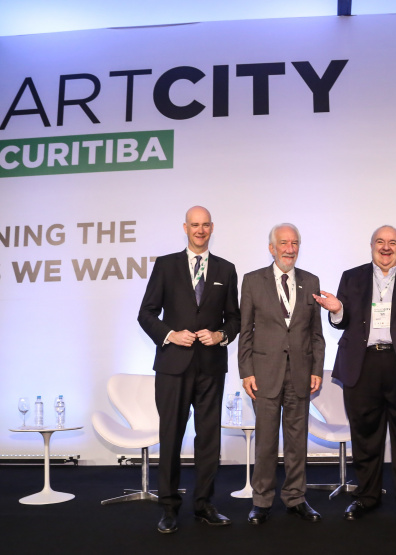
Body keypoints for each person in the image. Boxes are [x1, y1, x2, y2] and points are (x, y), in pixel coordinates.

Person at [313, 225, 396, 522]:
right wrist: (336, 310)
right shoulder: (352, 277)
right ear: (371, 245)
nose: (386, 248)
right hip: (363, 364)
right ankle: (367, 497)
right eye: (380, 242)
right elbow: (341, 320)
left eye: (392, 243)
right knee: (365, 436)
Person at [138, 205, 241, 533]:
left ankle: (204, 504)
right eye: (194, 225)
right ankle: (168, 507)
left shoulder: (226, 269)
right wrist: (169, 334)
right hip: (173, 367)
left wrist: (221, 335)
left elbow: (235, 318)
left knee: (209, 438)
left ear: (212, 228)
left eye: (205, 225)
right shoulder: (166, 265)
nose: (200, 230)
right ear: (185, 227)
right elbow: (147, 313)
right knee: (171, 436)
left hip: (211, 367)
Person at [238, 223, 325, 525]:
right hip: (264, 374)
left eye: (295, 243)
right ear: (271, 247)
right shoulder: (252, 281)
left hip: (300, 373)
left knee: (297, 441)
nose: (290, 249)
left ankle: (296, 498)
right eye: (284, 243)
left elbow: (316, 334)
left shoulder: (311, 281)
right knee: (264, 441)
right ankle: (261, 501)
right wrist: (246, 371)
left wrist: (317, 369)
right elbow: (245, 330)